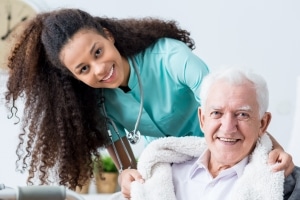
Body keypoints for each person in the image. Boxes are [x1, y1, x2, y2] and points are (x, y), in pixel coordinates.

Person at [4, 8, 293, 194]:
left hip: (224, 151)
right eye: (83, 69)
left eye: (97, 52)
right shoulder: (99, 104)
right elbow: (126, 165)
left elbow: (230, 110)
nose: (99, 69)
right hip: (176, 166)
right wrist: (127, 178)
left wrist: (276, 150)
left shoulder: (171, 57)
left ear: (108, 36)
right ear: (73, 77)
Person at [111, 67, 300, 200]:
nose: (227, 127)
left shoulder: (283, 182)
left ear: (263, 123)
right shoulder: (161, 171)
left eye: (242, 114)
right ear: (202, 119)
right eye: (216, 113)